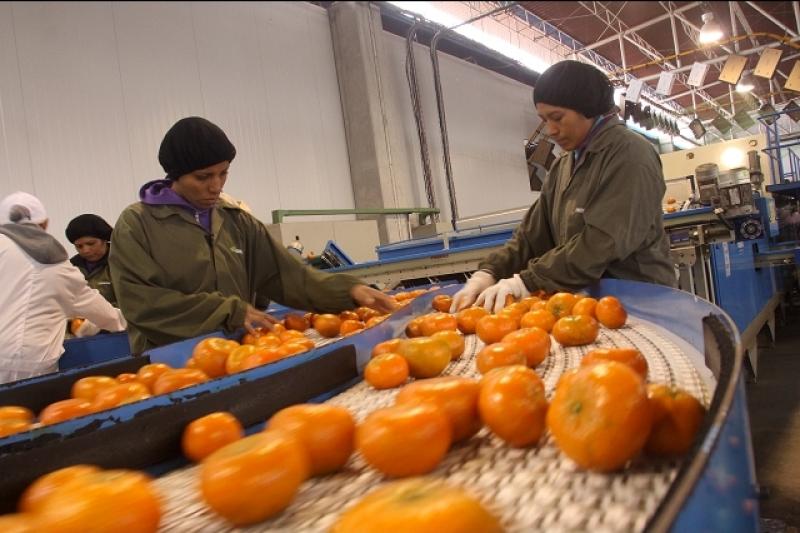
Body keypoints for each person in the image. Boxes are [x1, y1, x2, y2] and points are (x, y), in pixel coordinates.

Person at [110, 116, 397, 353]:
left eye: (223, 173)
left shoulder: (235, 221)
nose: (216, 186)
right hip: (170, 365)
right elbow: (142, 304)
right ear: (175, 176)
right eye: (203, 177)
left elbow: (289, 276)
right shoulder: (138, 225)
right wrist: (228, 311)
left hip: (240, 355)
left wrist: (349, 290)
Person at [452, 60, 676, 314]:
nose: (551, 130)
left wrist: (526, 281)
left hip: (639, 303)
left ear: (588, 108)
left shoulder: (630, 154)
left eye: (557, 118)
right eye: (544, 120)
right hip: (586, 303)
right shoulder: (564, 165)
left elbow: (602, 243)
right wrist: (489, 272)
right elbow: (531, 236)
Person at [0, 192, 127, 383]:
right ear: (44, 224)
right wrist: (128, 322)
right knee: (24, 411)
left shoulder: (120, 262)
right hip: (29, 363)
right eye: (79, 245)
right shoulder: (54, 262)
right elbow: (101, 311)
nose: (86, 250)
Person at [65, 214, 117, 306]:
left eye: (91, 243)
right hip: (79, 319)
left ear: (104, 240)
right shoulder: (70, 268)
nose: (86, 250)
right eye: (79, 246)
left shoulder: (121, 264)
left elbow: (130, 303)